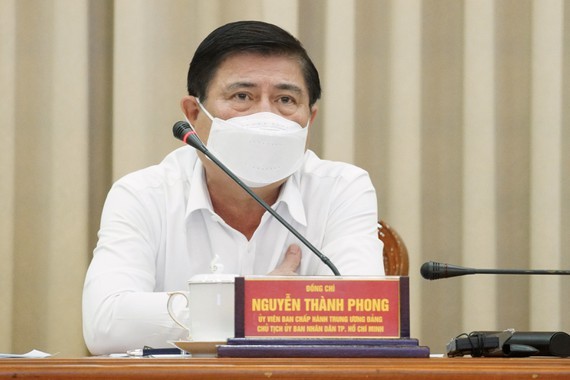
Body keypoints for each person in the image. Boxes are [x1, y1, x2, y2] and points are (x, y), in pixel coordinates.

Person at [82, 20, 384, 355]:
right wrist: (254, 304)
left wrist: (220, 312)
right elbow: (106, 325)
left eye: (285, 99)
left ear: (309, 119)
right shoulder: (142, 194)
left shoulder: (342, 189)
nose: (266, 116)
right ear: (195, 113)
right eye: (242, 96)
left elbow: (363, 319)